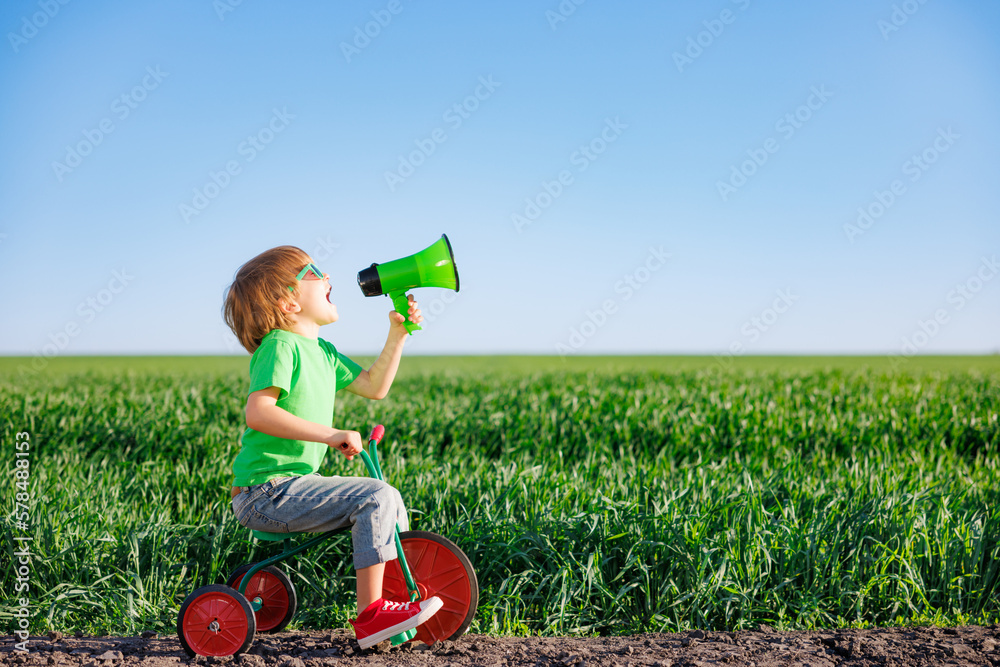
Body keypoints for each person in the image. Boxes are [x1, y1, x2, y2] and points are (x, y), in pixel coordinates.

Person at [222, 245, 441, 649]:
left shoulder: (322, 352)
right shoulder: (280, 346)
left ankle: (388, 606)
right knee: (376, 496)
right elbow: (259, 412)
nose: (327, 278)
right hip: (264, 493)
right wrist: (329, 434)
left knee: (389, 503)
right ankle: (372, 616)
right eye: (314, 272)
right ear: (286, 301)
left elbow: (375, 387)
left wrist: (398, 333)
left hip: (288, 488)